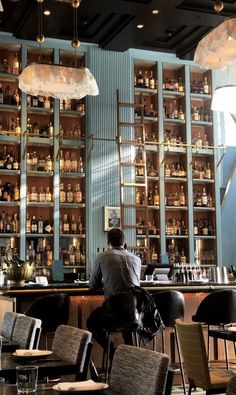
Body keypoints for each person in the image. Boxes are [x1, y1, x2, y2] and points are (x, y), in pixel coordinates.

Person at [87, 228, 141, 358]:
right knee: (128, 324)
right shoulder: (136, 259)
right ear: (125, 242)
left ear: (108, 243)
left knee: (91, 323)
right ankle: (132, 361)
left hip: (113, 313)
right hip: (135, 313)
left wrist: (107, 283)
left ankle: (113, 353)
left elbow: (93, 285)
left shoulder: (102, 256)